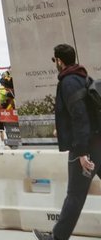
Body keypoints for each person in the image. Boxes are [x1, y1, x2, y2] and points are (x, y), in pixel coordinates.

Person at [32, 43, 101, 240]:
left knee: (75, 195)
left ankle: (57, 238)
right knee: (76, 195)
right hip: (98, 141)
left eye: (54, 60)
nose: (55, 63)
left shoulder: (68, 81)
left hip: (86, 146)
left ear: (59, 61)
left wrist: (81, 152)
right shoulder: (84, 77)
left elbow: (80, 117)